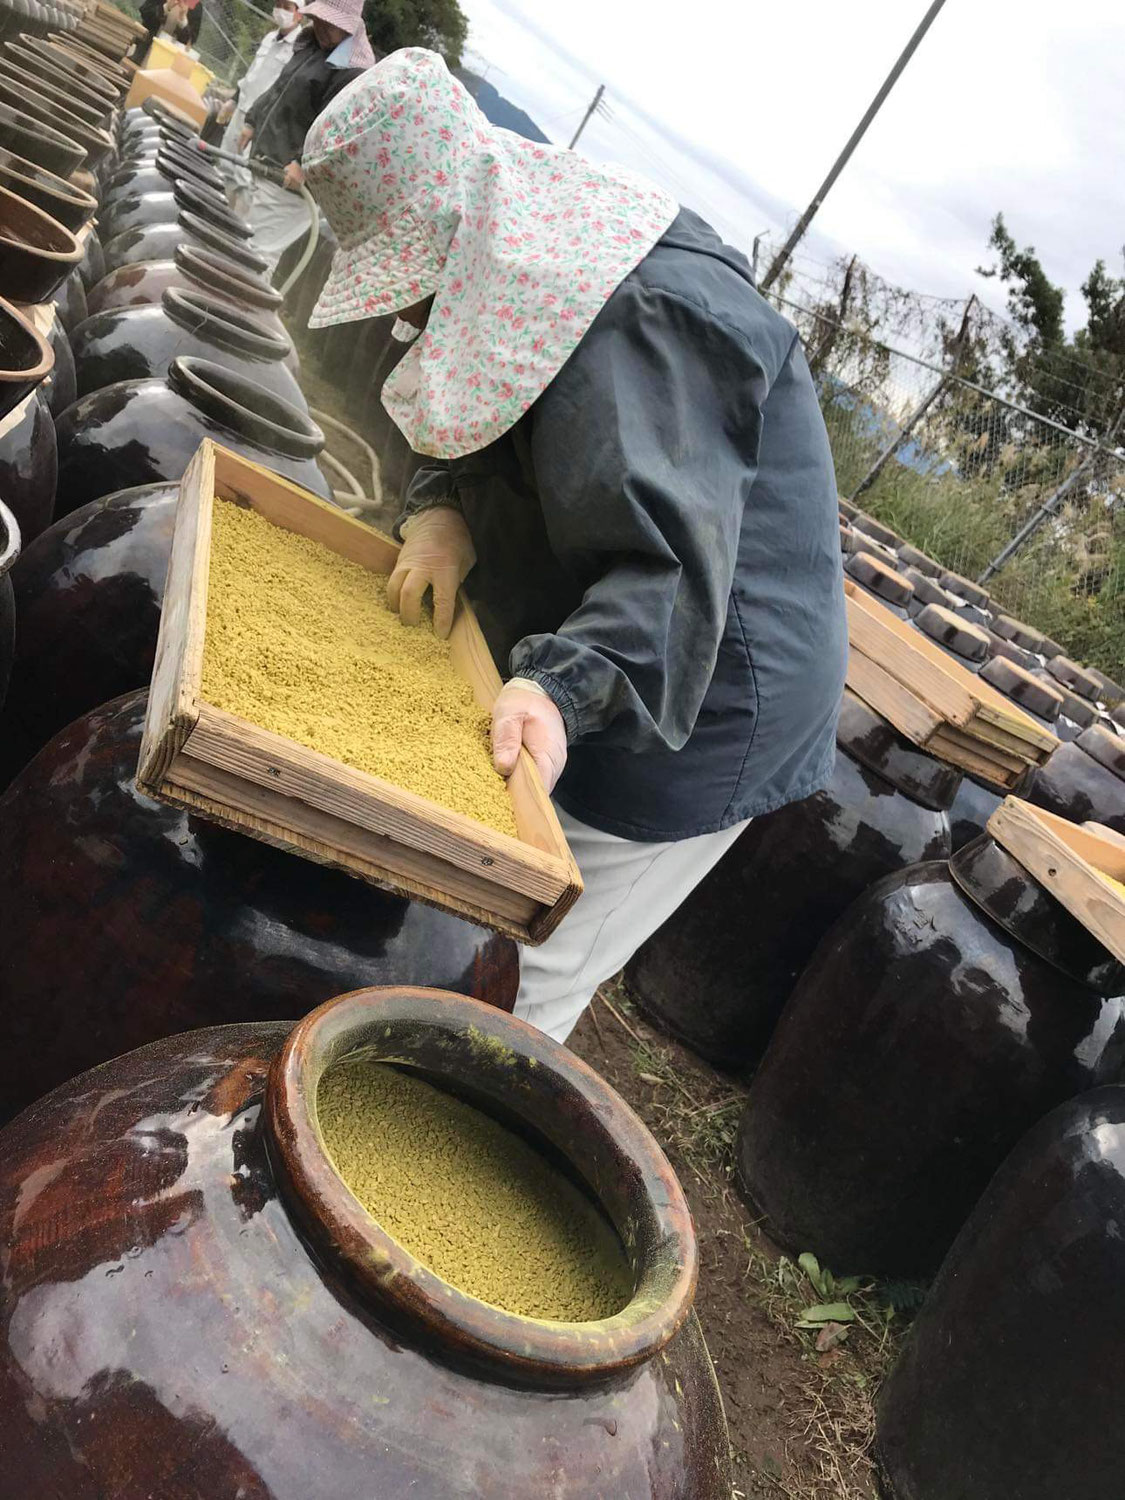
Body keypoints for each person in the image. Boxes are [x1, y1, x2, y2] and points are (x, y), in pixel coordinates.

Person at [302, 50, 847, 1046]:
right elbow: (487, 409)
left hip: (706, 683)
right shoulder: (525, 258)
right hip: (603, 619)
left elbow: (668, 570)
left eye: (415, 285)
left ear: (462, 234)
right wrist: (444, 505)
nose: (409, 315)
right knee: (465, 893)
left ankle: (461, 1125)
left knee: (519, 959)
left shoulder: (641, 316)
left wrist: (556, 684)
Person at [239, 0, 374, 272]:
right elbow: (281, 86)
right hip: (269, 163)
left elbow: (339, 133)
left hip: (291, 183)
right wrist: (253, 118)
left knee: (255, 256)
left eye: (332, 24)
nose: (322, 27)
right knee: (242, 243)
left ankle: (231, 309)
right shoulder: (312, 44)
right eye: (320, 19)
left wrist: (304, 164)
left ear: (349, 27)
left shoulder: (352, 72)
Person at [215, 0, 302, 217]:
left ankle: (233, 226)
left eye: (288, 7)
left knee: (244, 177)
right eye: (279, 4)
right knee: (225, 164)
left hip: (260, 121)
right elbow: (253, 73)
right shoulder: (269, 38)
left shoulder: (299, 49)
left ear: (299, 15)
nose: (281, 10)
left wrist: (258, 120)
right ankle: (213, 212)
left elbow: (281, 91)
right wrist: (234, 100)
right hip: (242, 109)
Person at [136, 0, 202, 54]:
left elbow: (190, 39)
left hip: (170, 57)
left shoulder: (196, 5)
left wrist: (182, 20)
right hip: (143, 48)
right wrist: (165, 8)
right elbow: (145, 12)